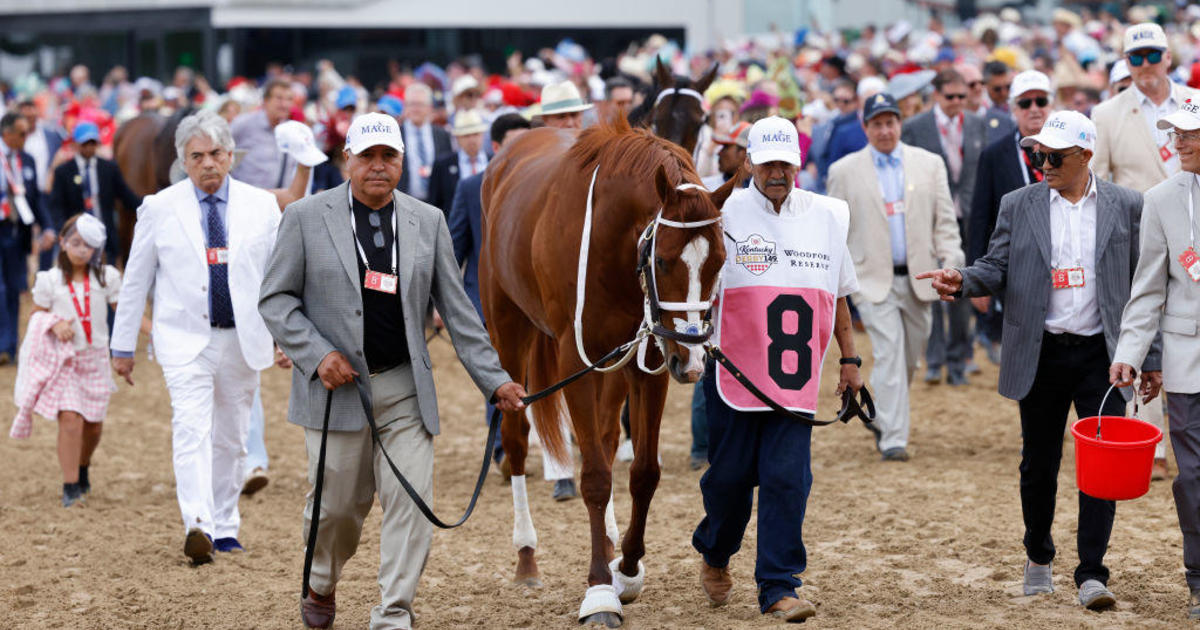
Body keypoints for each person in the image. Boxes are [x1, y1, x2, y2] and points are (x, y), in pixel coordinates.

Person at [258, 112, 526, 630]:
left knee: (412, 502)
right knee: (336, 509)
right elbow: (275, 299)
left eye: (389, 156)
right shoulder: (305, 217)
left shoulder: (428, 221)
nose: (378, 167)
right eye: (368, 156)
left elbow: (459, 309)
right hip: (336, 392)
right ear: (347, 161)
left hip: (406, 388)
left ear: (403, 161)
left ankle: (394, 612)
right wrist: (317, 354)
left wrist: (495, 380)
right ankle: (321, 579)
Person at [918, 110, 1158, 611]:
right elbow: (996, 265)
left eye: (1053, 155)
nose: (1042, 163)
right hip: (1041, 353)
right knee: (1038, 464)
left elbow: (1145, 287)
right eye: (1037, 154)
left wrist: (1147, 357)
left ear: (1086, 156)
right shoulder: (1018, 203)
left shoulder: (1128, 205)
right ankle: (1038, 556)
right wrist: (962, 280)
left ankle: (1092, 572)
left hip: (1104, 357)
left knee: (1101, 469)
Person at [695, 116, 863, 623]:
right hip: (733, 375)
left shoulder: (829, 215)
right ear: (748, 162)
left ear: (798, 164)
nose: (777, 172)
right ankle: (715, 550)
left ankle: (779, 584)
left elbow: (837, 295)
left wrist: (850, 360)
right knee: (728, 480)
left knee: (788, 478)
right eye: (767, 162)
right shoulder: (717, 210)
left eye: (785, 163)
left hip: (794, 380)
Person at [111, 110, 282, 564]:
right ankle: (198, 524)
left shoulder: (262, 207)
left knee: (232, 438)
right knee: (191, 430)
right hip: (183, 340)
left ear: (230, 157)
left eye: (216, 153)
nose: (208, 163)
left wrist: (286, 338)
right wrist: (122, 346)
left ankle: (225, 524)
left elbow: (279, 278)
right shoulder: (158, 208)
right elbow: (135, 281)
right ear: (183, 161)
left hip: (242, 338)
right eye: (197, 156)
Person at [827, 93, 962, 461]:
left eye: (890, 122)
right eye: (877, 124)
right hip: (872, 279)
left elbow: (945, 222)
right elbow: (836, 231)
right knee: (888, 354)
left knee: (910, 359)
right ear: (865, 126)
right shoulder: (843, 171)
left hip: (921, 277)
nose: (885, 130)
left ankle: (883, 414)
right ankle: (893, 439)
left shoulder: (929, 164)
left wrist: (953, 261)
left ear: (900, 124)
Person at [1090, 21, 1195, 478]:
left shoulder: (1194, 100)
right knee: (1145, 333)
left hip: (1193, 236)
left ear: (1168, 57)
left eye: (1153, 55)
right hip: (1137, 239)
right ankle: (1150, 445)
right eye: (1136, 57)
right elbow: (1100, 183)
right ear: (1125, 63)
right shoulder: (1107, 114)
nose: (1146, 64)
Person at [1110, 100, 1200, 621]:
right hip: (1188, 360)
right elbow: (1146, 291)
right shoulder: (1161, 199)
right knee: (1192, 476)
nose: (1178, 142)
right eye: (1174, 133)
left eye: (1189, 134)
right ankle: (1198, 579)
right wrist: (1129, 353)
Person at [11, 214, 120, 507]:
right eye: (75, 243)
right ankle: (70, 484)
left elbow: (125, 311)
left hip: (96, 358)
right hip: (66, 360)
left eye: (87, 245)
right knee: (70, 418)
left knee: (93, 426)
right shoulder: (50, 280)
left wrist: (156, 333)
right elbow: (36, 313)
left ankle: (83, 467)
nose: (81, 250)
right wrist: (54, 323)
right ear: (62, 242)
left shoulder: (107, 277)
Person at [448, 112, 530, 470]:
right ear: (495, 147)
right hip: (485, 299)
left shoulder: (541, 188)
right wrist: (448, 301)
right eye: (515, 143)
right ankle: (502, 447)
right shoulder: (471, 188)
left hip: (532, 300)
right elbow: (455, 246)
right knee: (495, 372)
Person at [901, 68, 986, 386]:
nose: (957, 102)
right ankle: (934, 359)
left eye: (962, 96)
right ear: (936, 95)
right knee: (933, 286)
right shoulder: (915, 127)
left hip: (967, 217)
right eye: (950, 96)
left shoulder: (977, 124)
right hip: (929, 215)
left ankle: (959, 359)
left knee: (963, 286)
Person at [968, 70, 1053, 366]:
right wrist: (976, 275)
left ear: (1050, 105)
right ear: (1013, 109)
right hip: (1018, 264)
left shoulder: (1069, 150)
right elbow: (980, 216)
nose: (1034, 108)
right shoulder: (995, 154)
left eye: (1040, 101)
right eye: (1025, 103)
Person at [1, 112, 56, 364]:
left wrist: (47, 227)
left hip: (16, 232)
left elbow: (35, 200)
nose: (26, 138)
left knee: (14, 289)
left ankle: (9, 348)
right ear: (7, 133)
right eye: (22, 134)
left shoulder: (28, 160)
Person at [49, 121, 142, 265]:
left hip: (105, 236)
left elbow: (127, 196)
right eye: (85, 143)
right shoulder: (63, 172)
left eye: (92, 143)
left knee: (106, 280)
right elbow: (56, 206)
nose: (89, 147)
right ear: (76, 144)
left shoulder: (108, 168)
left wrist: (148, 205)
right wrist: (64, 231)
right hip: (76, 238)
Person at [231, 78, 298, 189]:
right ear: (265, 101)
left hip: (279, 202)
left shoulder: (291, 130)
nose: (284, 104)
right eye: (279, 98)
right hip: (247, 200)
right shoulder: (244, 124)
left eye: (289, 99)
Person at [427, 110, 488, 216]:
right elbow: (434, 203)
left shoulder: (494, 162)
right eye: (466, 135)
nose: (472, 140)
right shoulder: (442, 165)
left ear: (482, 135)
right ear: (457, 138)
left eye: (476, 134)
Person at [397, 83, 451, 202]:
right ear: (405, 107)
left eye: (420, 104)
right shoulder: (395, 134)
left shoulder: (442, 135)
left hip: (436, 205)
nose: (416, 109)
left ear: (430, 107)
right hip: (403, 202)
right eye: (412, 104)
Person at [700, 121, 751, 191]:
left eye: (726, 147)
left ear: (743, 153)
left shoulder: (764, 194)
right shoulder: (704, 188)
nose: (719, 153)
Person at [980, 61, 1018, 144]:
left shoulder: (1020, 103)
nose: (1004, 93)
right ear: (985, 86)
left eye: (1008, 87)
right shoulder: (980, 111)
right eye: (997, 89)